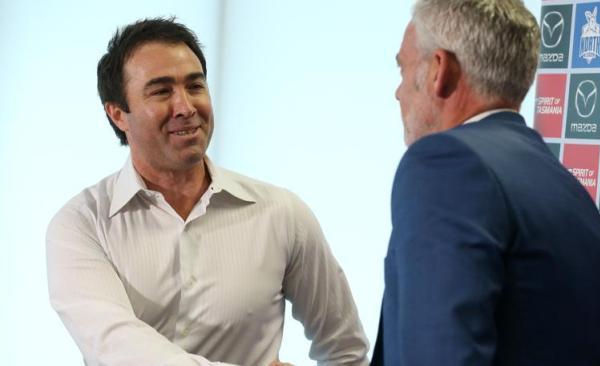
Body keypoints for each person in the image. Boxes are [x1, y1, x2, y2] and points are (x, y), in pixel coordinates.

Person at [46, 18, 368, 366]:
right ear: (118, 114)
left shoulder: (282, 214)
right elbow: (119, 349)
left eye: (195, 86)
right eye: (161, 91)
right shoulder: (81, 225)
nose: (186, 107)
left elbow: (345, 351)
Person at [371, 1, 600, 365]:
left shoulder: (445, 167)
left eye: (403, 69)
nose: (398, 92)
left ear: (440, 70)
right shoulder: (569, 190)